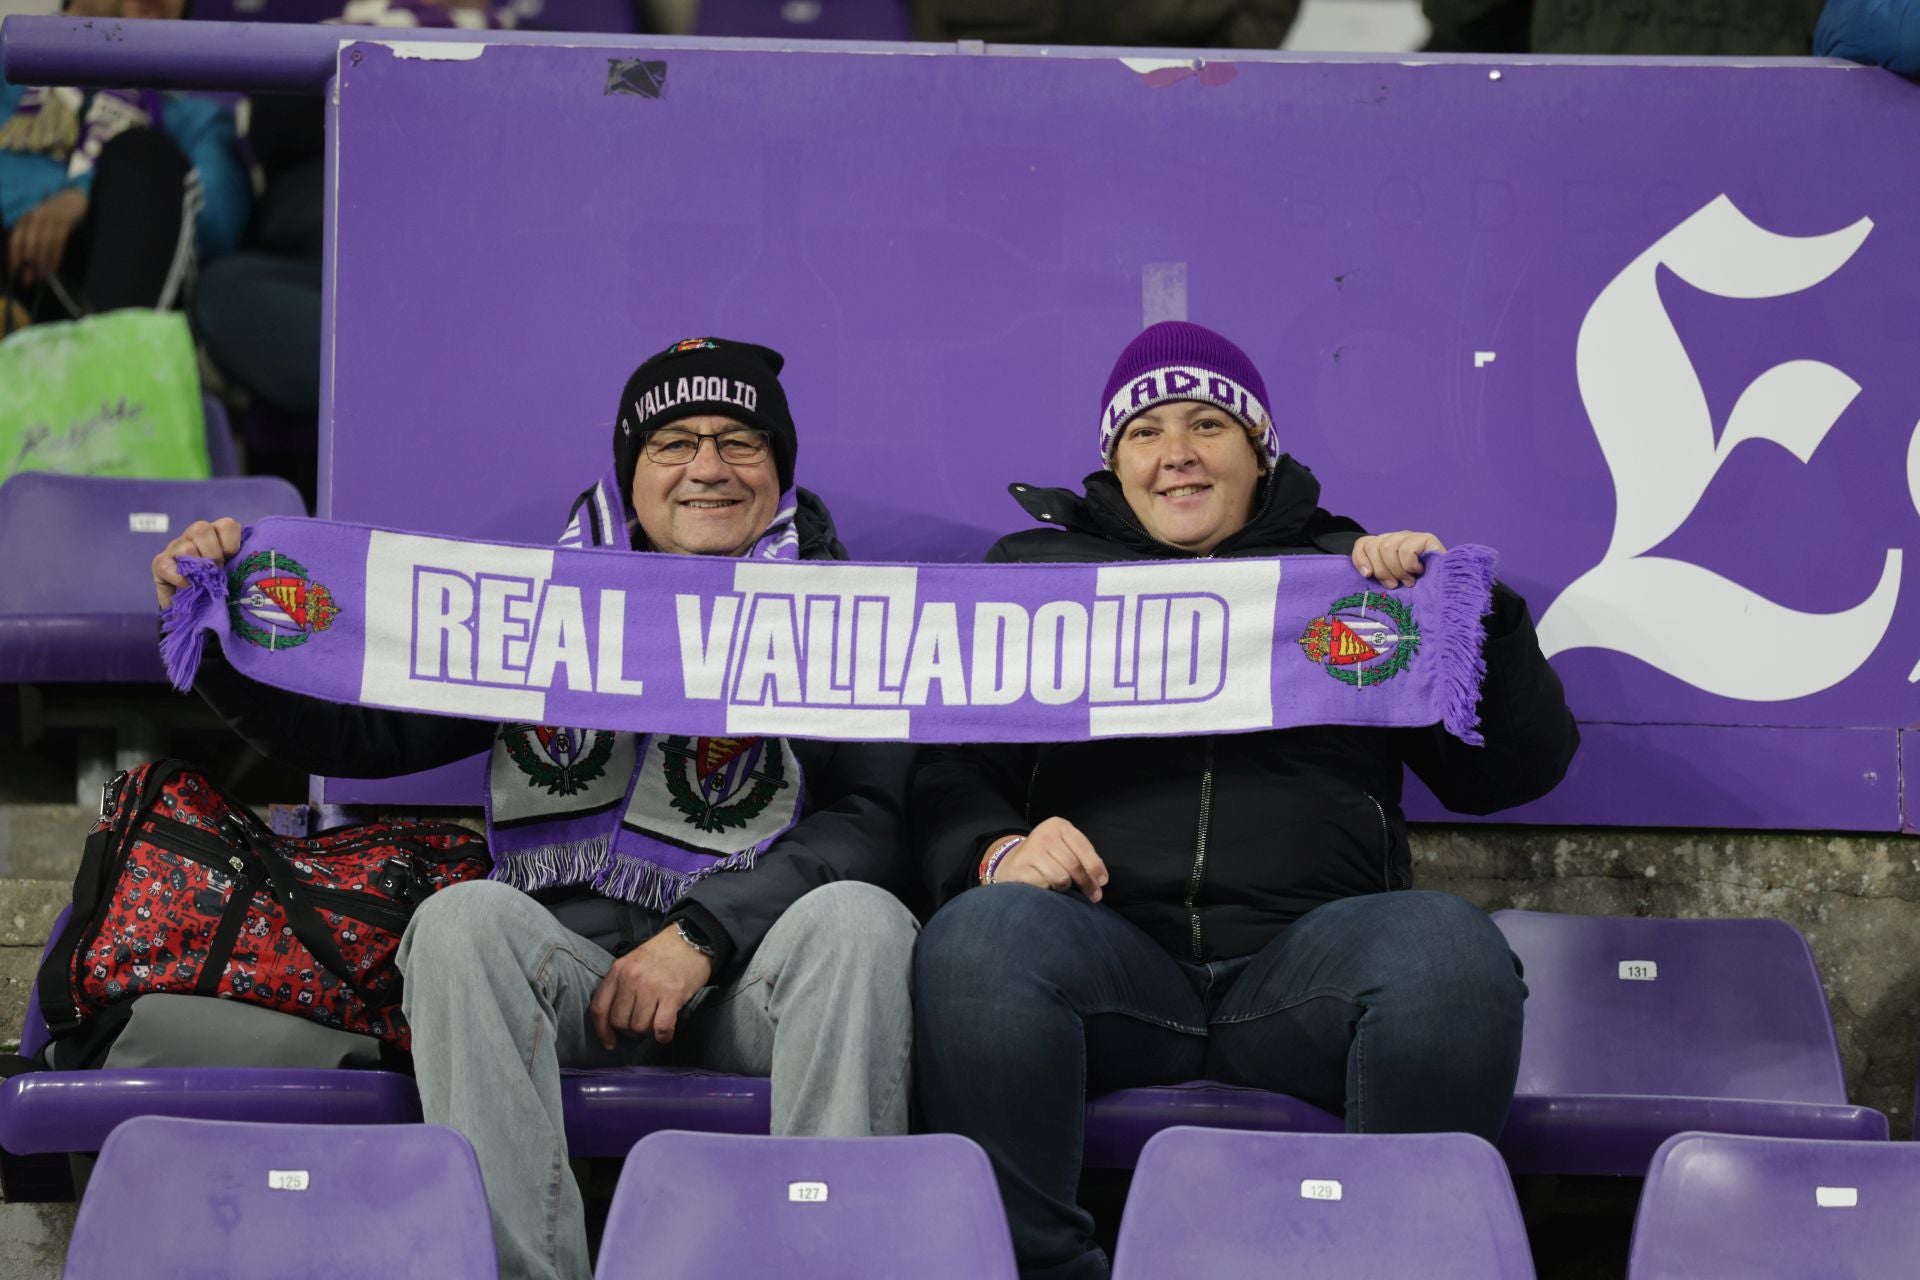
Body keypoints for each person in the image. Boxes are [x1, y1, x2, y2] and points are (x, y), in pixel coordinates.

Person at [152, 337, 919, 1280]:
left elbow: (875, 820)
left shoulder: (850, 614)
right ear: (630, 475)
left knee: (863, 921)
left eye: (740, 440)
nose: (709, 467)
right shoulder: (535, 609)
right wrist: (226, 629)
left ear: (780, 468)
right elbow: (363, 737)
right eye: (675, 442)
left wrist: (704, 934)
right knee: (460, 922)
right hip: (566, 977)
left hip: (754, 984)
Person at [909, 321, 1579, 1280]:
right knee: (980, 937)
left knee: (1446, 952)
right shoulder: (1038, 582)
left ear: (1259, 451)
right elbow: (945, 771)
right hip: (1109, 959)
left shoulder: (1353, 579)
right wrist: (997, 848)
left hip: (1304, 970)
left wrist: (1470, 614)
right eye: (1145, 432)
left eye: (1208, 424)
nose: (1175, 453)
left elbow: (1513, 773)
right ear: (1114, 460)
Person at [0, 0, 246, 325]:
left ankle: (107, 366)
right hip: (13, 269)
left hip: (112, 293)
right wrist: (60, 199)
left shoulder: (195, 119)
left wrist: (84, 197)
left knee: (143, 157)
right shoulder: (11, 73)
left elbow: (217, 224)